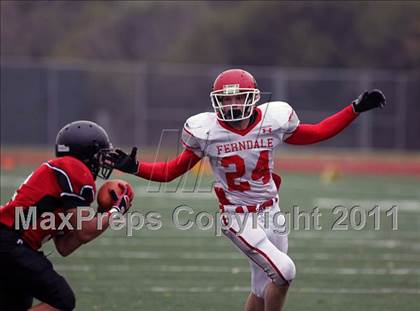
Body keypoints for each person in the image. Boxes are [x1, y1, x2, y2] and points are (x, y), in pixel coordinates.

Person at [109, 69, 386, 311]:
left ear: (252, 97)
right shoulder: (205, 131)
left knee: (261, 288)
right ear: (216, 102)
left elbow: (317, 132)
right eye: (226, 98)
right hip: (238, 217)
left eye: (238, 97)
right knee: (285, 272)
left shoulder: (273, 120)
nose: (232, 104)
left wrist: (354, 109)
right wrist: (137, 167)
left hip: (272, 212)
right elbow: (172, 172)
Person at [0, 120, 133, 311]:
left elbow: (65, 246)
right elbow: (85, 232)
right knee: (61, 300)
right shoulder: (74, 168)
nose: (103, 161)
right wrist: (116, 211)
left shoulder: (66, 174)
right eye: (100, 155)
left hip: (13, 244)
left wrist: (103, 213)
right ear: (87, 152)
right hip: (11, 243)